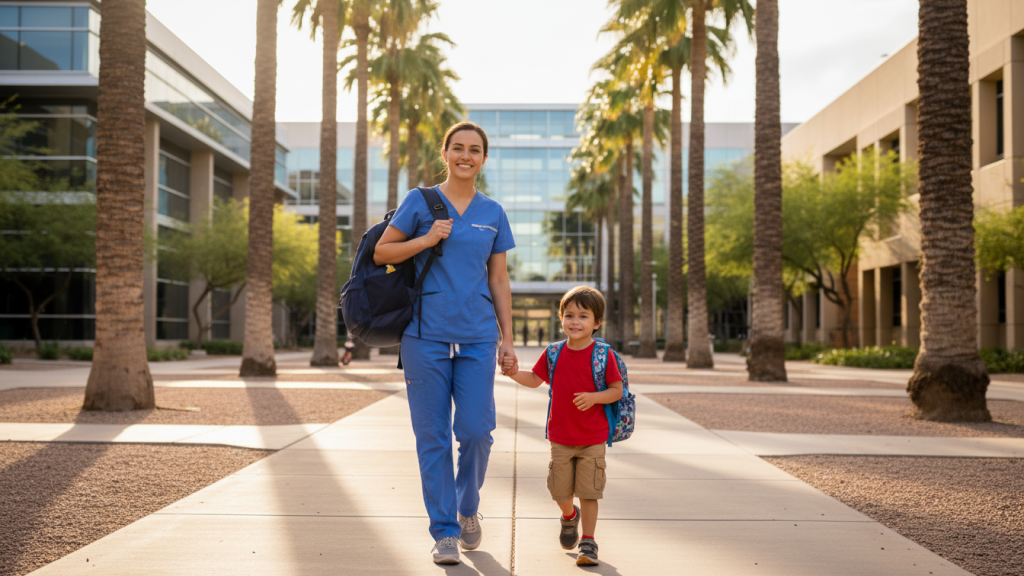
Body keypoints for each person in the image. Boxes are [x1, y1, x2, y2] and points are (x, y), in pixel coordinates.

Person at [373, 121, 517, 565]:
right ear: (446, 153)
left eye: (475, 150)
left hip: (476, 336)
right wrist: (426, 237)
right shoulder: (420, 202)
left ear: (484, 159)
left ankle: (467, 507)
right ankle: (444, 531)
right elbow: (382, 252)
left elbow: (498, 278)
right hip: (424, 336)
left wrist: (507, 339)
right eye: (458, 148)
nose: (466, 156)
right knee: (431, 436)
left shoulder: (493, 212)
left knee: (477, 432)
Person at [502, 286, 622, 566]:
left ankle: (588, 542)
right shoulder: (554, 352)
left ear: (597, 322)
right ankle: (569, 516)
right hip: (561, 437)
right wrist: (512, 373)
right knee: (559, 491)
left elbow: (617, 390)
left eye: (583, 316)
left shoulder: (604, 355)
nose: (575, 321)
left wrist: (594, 397)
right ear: (561, 318)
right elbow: (535, 378)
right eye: (569, 315)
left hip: (593, 437)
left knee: (589, 492)